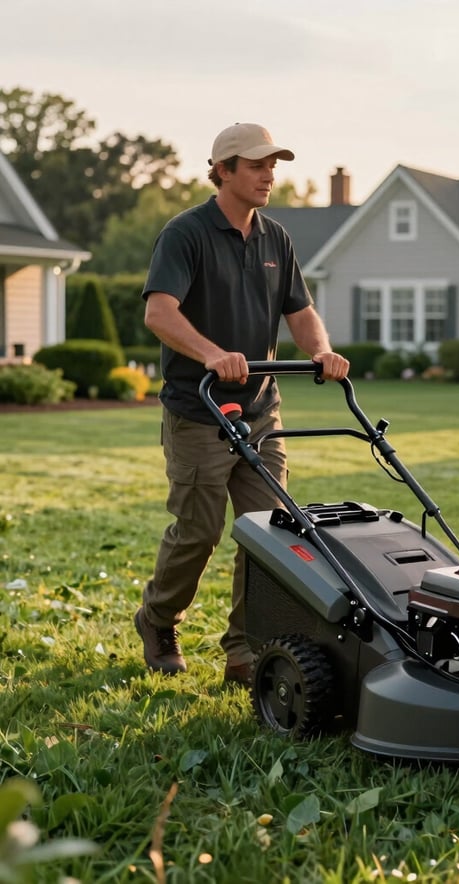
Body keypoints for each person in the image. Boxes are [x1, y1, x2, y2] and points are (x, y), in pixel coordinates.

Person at [134, 122, 350, 686]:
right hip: (199, 411)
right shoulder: (186, 234)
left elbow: (300, 312)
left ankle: (245, 652)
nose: (268, 175)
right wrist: (211, 354)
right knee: (199, 533)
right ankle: (158, 620)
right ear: (223, 170)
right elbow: (159, 313)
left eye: (272, 165)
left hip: (260, 414)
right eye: (256, 165)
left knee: (268, 536)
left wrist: (322, 352)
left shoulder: (277, 237)